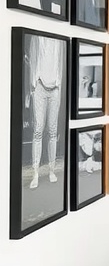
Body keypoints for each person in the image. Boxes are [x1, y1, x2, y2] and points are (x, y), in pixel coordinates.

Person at [27, 34, 64, 189]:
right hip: (40, 86)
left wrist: (59, 83)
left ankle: (51, 170)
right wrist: (33, 85)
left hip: (55, 87)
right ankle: (35, 172)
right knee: (38, 130)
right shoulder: (37, 38)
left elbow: (60, 62)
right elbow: (32, 58)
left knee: (53, 131)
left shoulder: (60, 40)